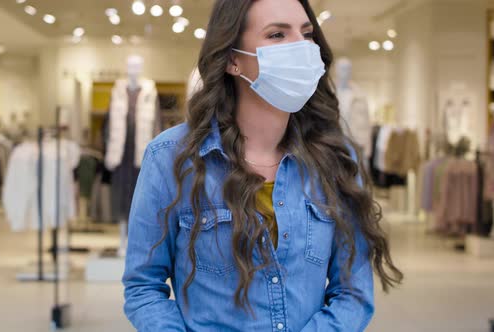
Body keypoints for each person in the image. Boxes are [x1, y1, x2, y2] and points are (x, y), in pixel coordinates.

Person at [122, 0, 403, 331]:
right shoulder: (170, 157)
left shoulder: (335, 158)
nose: (301, 47)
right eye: (277, 35)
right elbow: (143, 288)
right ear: (232, 60)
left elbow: (353, 292)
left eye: (307, 33)